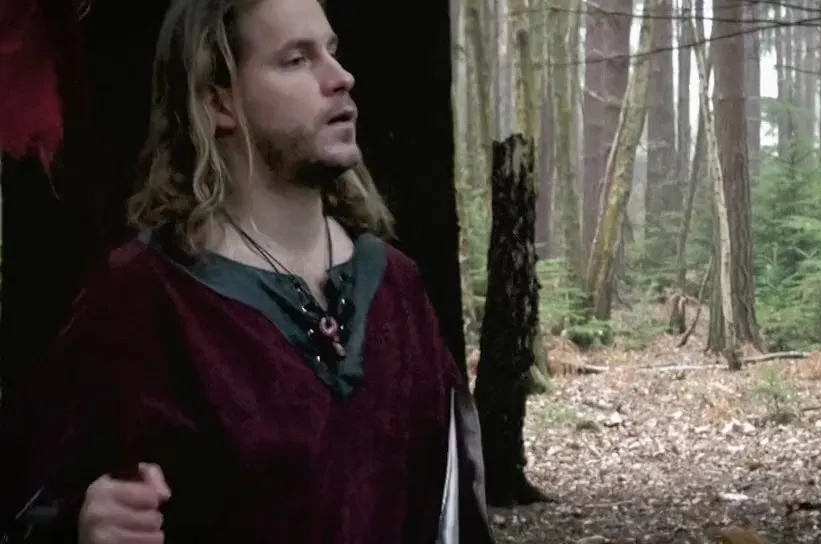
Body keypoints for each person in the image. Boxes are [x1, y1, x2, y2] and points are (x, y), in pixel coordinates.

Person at [0, 0, 493, 542]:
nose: (341, 77)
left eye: (332, 51)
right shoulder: (146, 297)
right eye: (297, 59)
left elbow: (454, 512)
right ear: (218, 102)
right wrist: (79, 523)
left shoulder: (397, 287)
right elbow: (26, 496)